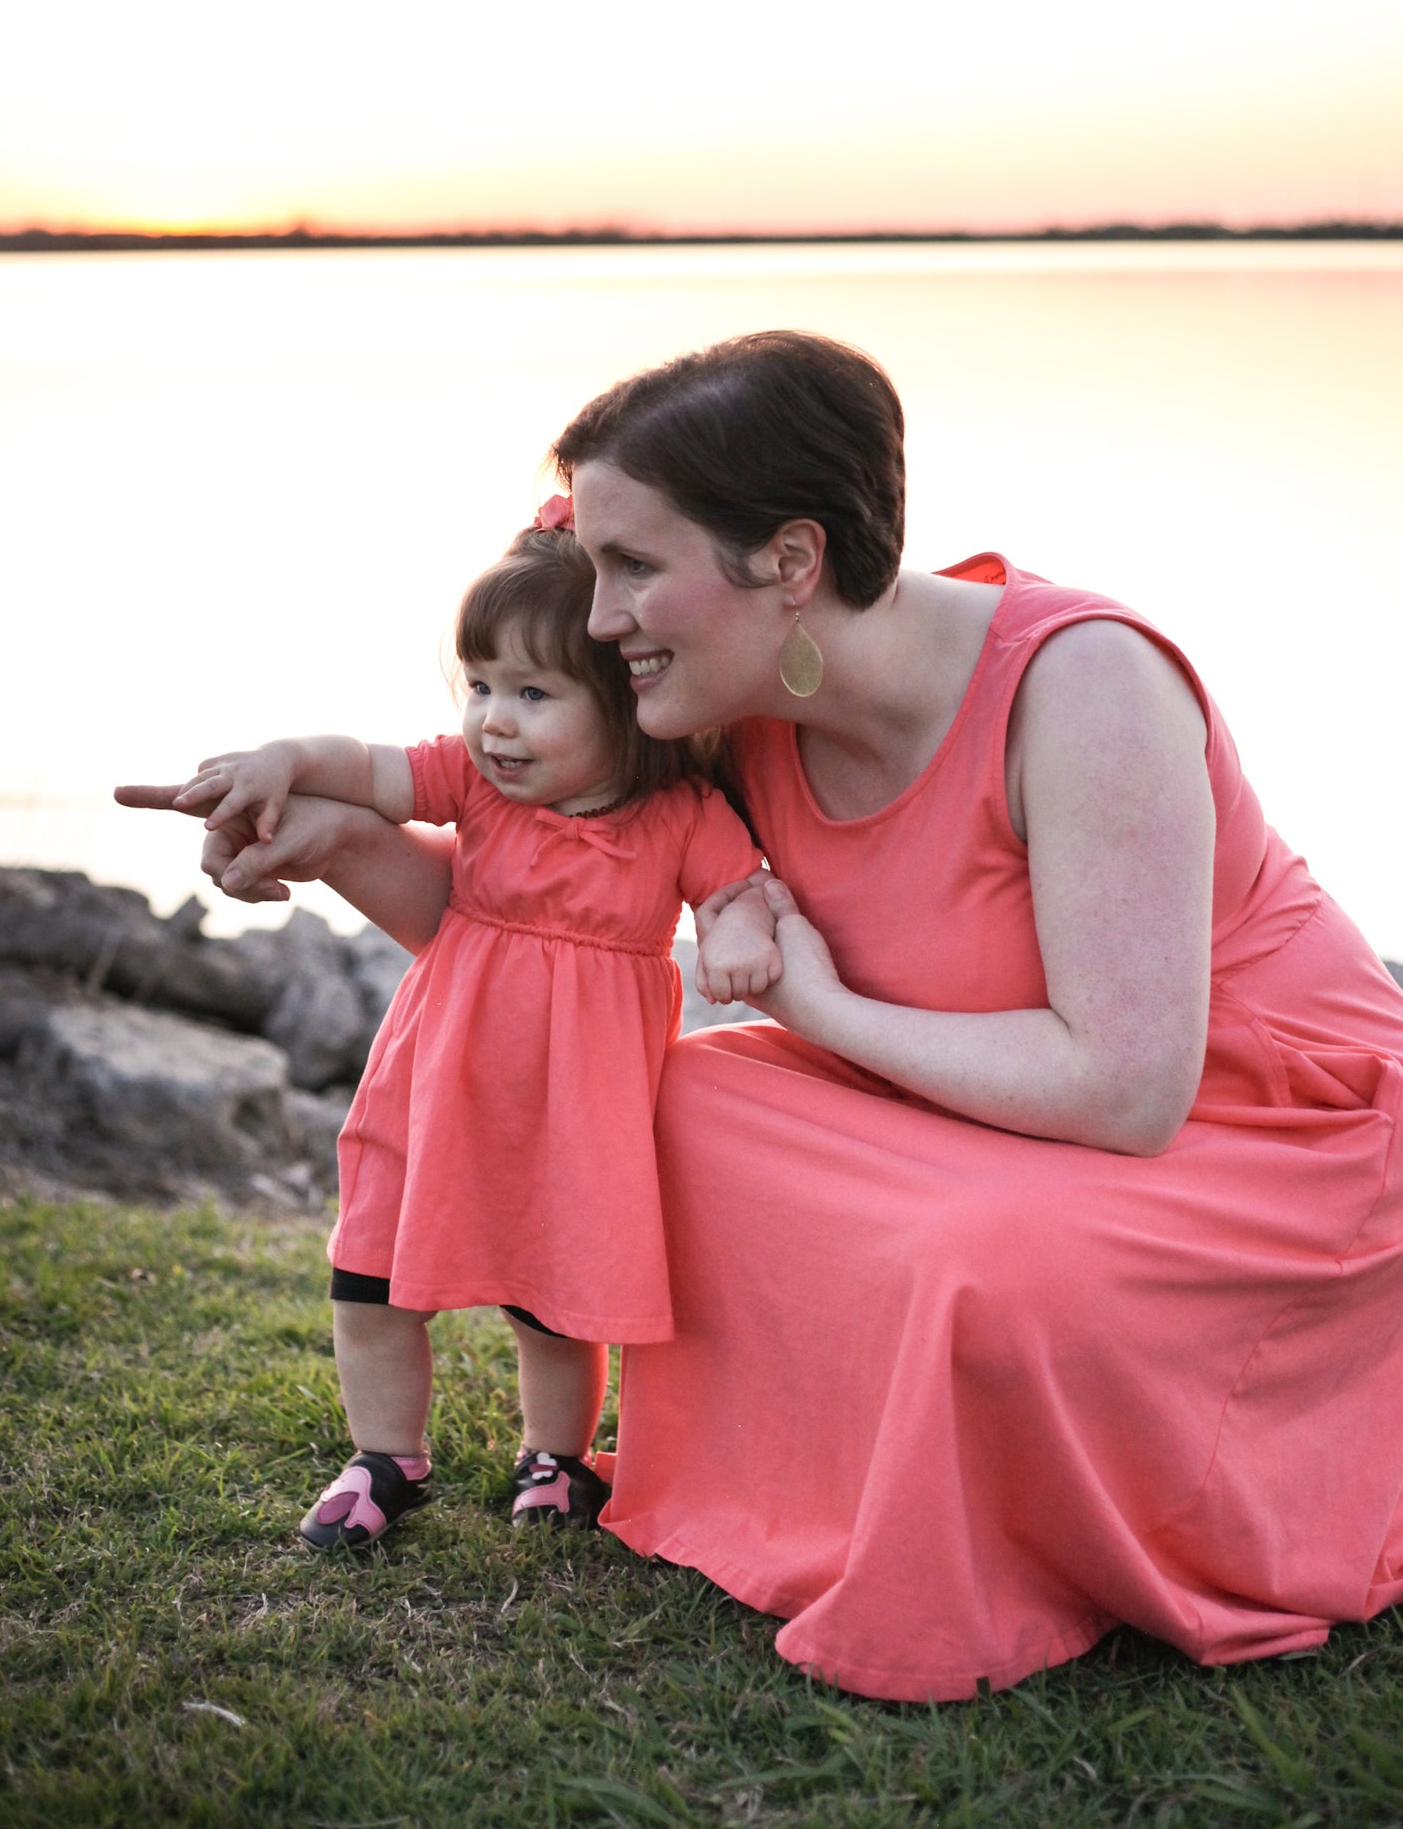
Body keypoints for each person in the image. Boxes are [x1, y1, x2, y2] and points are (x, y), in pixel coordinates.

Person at [128, 331, 1403, 1702]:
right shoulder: (727, 704)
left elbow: (1129, 1089)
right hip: (962, 1097)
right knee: (667, 1093)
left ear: (790, 559)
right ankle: (802, 1482)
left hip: (1264, 1133)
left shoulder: (1085, 685)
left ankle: (1019, 1507)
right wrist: (332, 836)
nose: (597, 618)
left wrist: (819, 1006)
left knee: (983, 1252)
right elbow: (531, 925)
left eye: (632, 566)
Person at [138, 511, 774, 1548]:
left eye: (532, 694)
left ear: (626, 700)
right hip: (434, 1086)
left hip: (577, 1115)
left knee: (554, 1302)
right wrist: (282, 759)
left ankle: (555, 1456)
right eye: (479, 687)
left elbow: (737, 888)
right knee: (372, 1276)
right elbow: (366, 766)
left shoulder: (679, 815)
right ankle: (384, 1456)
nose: (494, 723)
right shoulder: (476, 784)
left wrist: (737, 929)